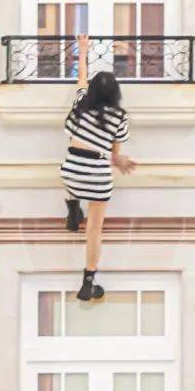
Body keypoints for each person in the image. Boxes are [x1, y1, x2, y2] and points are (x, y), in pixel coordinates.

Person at [60, 33, 136, 302]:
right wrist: (121, 160)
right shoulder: (119, 117)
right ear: (115, 94)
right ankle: (88, 280)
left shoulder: (81, 103)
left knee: (70, 173)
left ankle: (71, 207)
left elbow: (80, 78)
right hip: (97, 175)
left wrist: (83, 50)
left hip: (71, 170)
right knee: (94, 228)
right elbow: (115, 152)